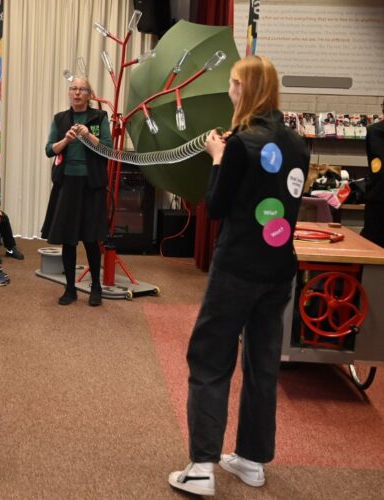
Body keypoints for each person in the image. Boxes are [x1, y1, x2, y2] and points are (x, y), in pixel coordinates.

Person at [167, 55, 310, 497]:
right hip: (278, 268)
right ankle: (252, 459)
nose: (229, 91)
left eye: (232, 84)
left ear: (243, 89)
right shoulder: (298, 143)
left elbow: (217, 206)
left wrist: (217, 159)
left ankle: (201, 466)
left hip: (237, 268)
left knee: (210, 358)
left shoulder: (239, 143)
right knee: (262, 363)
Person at [42, 77, 112, 306]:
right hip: (67, 184)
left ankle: (96, 288)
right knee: (68, 239)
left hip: (92, 185)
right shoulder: (60, 118)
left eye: (82, 89)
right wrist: (66, 140)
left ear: (89, 95)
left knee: (91, 239)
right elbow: (49, 150)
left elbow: (108, 148)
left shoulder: (99, 117)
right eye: (74, 89)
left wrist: (88, 136)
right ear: (69, 93)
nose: (77, 93)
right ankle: (70, 289)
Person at [363, 99, 384, 247]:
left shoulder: (373, 132)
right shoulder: (373, 132)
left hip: (377, 196)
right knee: (373, 246)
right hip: (377, 199)